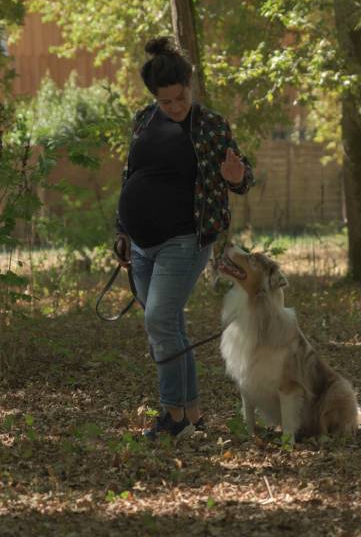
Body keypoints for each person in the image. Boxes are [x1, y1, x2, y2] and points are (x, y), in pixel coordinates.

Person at [114, 36, 254, 439]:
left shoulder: (210, 125)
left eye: (180, 98)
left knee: (158, 318)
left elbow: (245, 176)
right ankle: (193, 416)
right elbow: (131, 177)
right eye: (166, 101)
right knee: (168, 324)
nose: (175, 107)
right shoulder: (143, 120)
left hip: (186, 237)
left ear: (190, 87)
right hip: (141, 245)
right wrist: (122, 231)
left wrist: (237, 177)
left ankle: (171, 416)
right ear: (155, 97)